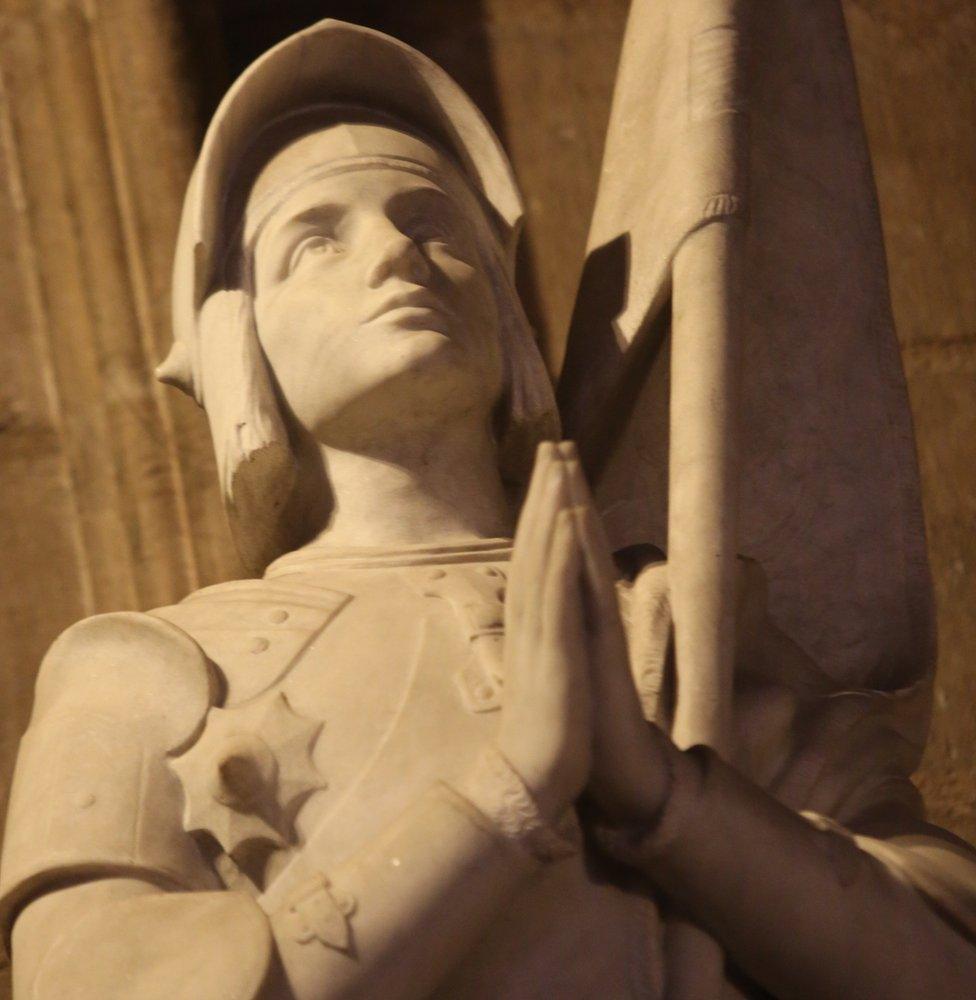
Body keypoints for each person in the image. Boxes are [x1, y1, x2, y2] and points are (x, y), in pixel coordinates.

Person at [3, 20, 976, 1000]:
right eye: (314, 242)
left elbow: (944, 955)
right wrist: (510, 789)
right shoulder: (149, 671)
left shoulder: (671, 623)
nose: (394, 252)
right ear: (236, 341)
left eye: (433, 223)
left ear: (509, 312)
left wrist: (671, 799)